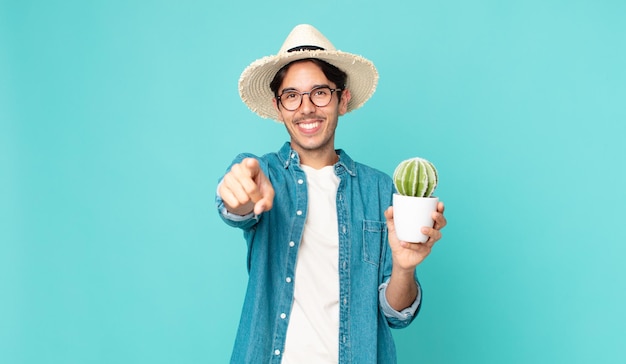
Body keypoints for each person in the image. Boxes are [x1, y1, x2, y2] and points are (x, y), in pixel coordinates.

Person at [216, 24, 447, 363]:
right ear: (278, 107)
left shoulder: (380, 190)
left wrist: (404, 267)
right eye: (292, 95)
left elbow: (397, 313)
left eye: (320, 92)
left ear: (343, 98)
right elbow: (235, 202)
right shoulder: (261, 173)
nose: (306, 107)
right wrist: (239, 193)